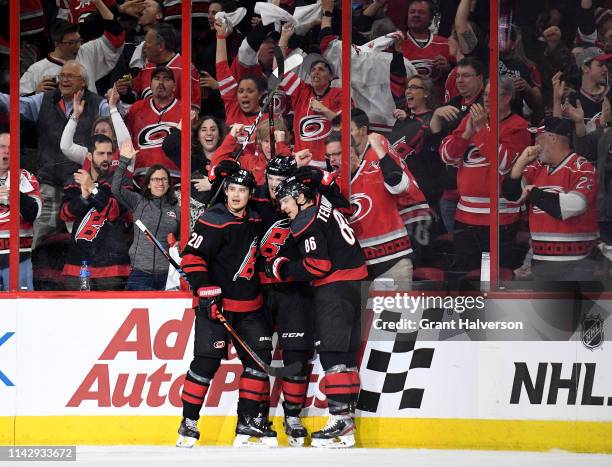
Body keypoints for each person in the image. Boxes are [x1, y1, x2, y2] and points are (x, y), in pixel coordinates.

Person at [178, 168, 277, 448]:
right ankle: (189, 423)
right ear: (226, 191)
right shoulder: (213, 219)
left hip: (250, 306)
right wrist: (204, 288)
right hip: (216, 305)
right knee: (206, 364)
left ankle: (246, 424)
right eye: (232, 189)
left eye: (242, 190)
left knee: (258, 363)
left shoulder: (257, 217)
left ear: (249, 194)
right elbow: (191, 257)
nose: (236, 195)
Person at [267, 175, 368, 448]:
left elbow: (318, 265)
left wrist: (283, 268)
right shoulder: (324, 204)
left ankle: (340, 423)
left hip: (334, 288)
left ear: (301, 197)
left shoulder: (305, 219)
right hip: (356, 285)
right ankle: (346, 420)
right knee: (345, 356)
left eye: (286, 200)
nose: (283, 207)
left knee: (333, 355)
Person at [0, 60, 112, 249]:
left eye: (70, 76)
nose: (64, 80)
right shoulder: (44, 99)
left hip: (79, 188)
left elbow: (116, 122)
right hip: (48, 183)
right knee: (34, 240)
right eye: (62, 76)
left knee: (83, 242)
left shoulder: (98, 104)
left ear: (83, 82)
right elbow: (15, 104)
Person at [439, 77, 531, 277]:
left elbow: (505, 163)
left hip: (501, 218)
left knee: (495, 278)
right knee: (465, 277)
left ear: (507, 98)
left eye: (493, 95)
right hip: (465, 215)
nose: (487, 100)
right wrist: (465, 136)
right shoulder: (470, 120)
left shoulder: (518, 126)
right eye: (486, 95)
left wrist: (481, 131)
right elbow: (447, 155)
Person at [502, 117, 600, 281]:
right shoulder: (537, 168)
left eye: (538, 137)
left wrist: (534, 193)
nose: (534, 144)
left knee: (573, 307)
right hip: (542, 261)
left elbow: (571, 207)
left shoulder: (582, 167)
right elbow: (512, 196)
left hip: (578, 263)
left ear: (552, 138)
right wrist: (520, 163)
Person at [60, 134, 130, 290]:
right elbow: (65, 214)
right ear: (90, 156)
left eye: (109, 153)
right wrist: (83, 196)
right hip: (78, 265)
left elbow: (113, 211)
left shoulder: (122, 180)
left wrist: (91, 187)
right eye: (100, 153)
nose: (106, 158)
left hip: (112, 268)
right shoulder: (75, 180)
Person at [111, 139, 180, 290]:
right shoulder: (138, 201)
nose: (160, 183)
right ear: (148, 183)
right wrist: (123, 161)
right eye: (155, 179)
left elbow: (184, 238)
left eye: (164, 179)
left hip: (168, 275)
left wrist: (180, 243)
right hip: (141, 274)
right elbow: (115, 189)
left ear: (169, 183)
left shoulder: (176, 208)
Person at [19, 1, 125, 96]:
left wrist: (98, 2)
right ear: (57, 44)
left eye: (79, 40)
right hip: (55, 117)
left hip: (89, 115)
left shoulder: (87, 52)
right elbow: (18, 105)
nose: (78, 46)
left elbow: (116, 36)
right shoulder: (37, 69)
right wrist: (35, 94)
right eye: (71, 43)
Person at [124, 66, 182, 181]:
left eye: (166, 79)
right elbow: (126, 140)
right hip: (141, 177)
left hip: (175, 178)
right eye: (156, 78)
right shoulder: (136, 109)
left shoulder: (185, 110)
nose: (161, 83)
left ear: (174, 86)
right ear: (150, 85)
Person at [0, 132, 42, 291]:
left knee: (21, 311)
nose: (6, 151)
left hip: (19, 258)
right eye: (2, 147)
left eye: (11, 148)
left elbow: (34, 212)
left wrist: (15, 195)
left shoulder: (26, 177)